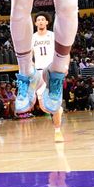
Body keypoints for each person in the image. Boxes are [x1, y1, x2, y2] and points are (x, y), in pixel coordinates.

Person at [32, 12, 64, 142]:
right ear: (35, 23)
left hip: (52, 71)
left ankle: (57, 131)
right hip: (39, 72)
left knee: (54, 103)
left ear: (47, 22)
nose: (40, 21)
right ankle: (58, 111)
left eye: (42, 19)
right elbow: (28, 57)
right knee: (44, 107)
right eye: (38, 20)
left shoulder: (53, 36)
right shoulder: (32, 38)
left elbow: (62, 52)